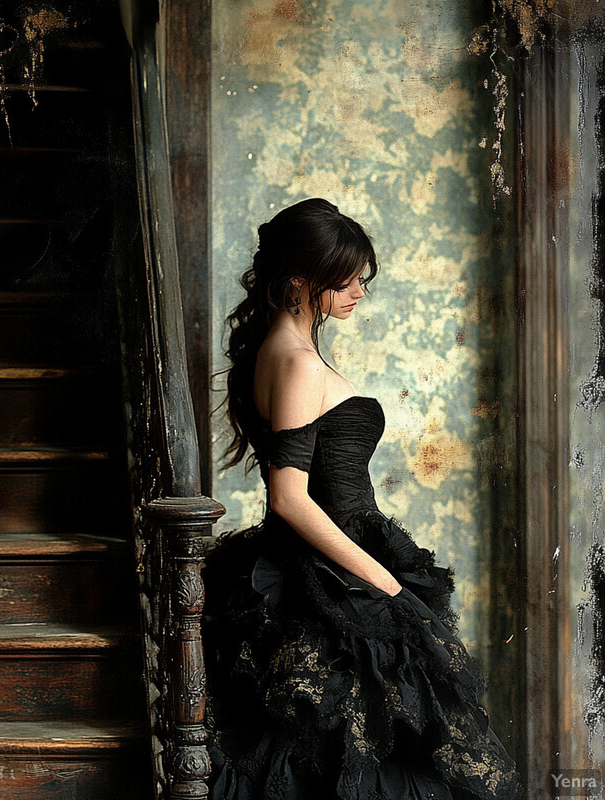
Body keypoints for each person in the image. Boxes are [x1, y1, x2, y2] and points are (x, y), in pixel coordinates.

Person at [201, 198, 525, 800]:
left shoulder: (281, 350)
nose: (356, 292)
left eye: (359, 280)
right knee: (366, 746)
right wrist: (386, 582)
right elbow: (290, 498)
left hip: (330, 556)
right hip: (331, 566)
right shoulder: (295, 362)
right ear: (299, 279)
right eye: (344, 280)